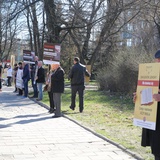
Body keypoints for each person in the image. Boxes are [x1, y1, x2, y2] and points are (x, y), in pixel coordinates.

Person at [133, 49, 160, 160]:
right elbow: (147, 90)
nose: (157, 62)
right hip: (154, 119)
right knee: (156, 150)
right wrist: (138, 97)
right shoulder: (153, 74)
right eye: (157, 60)